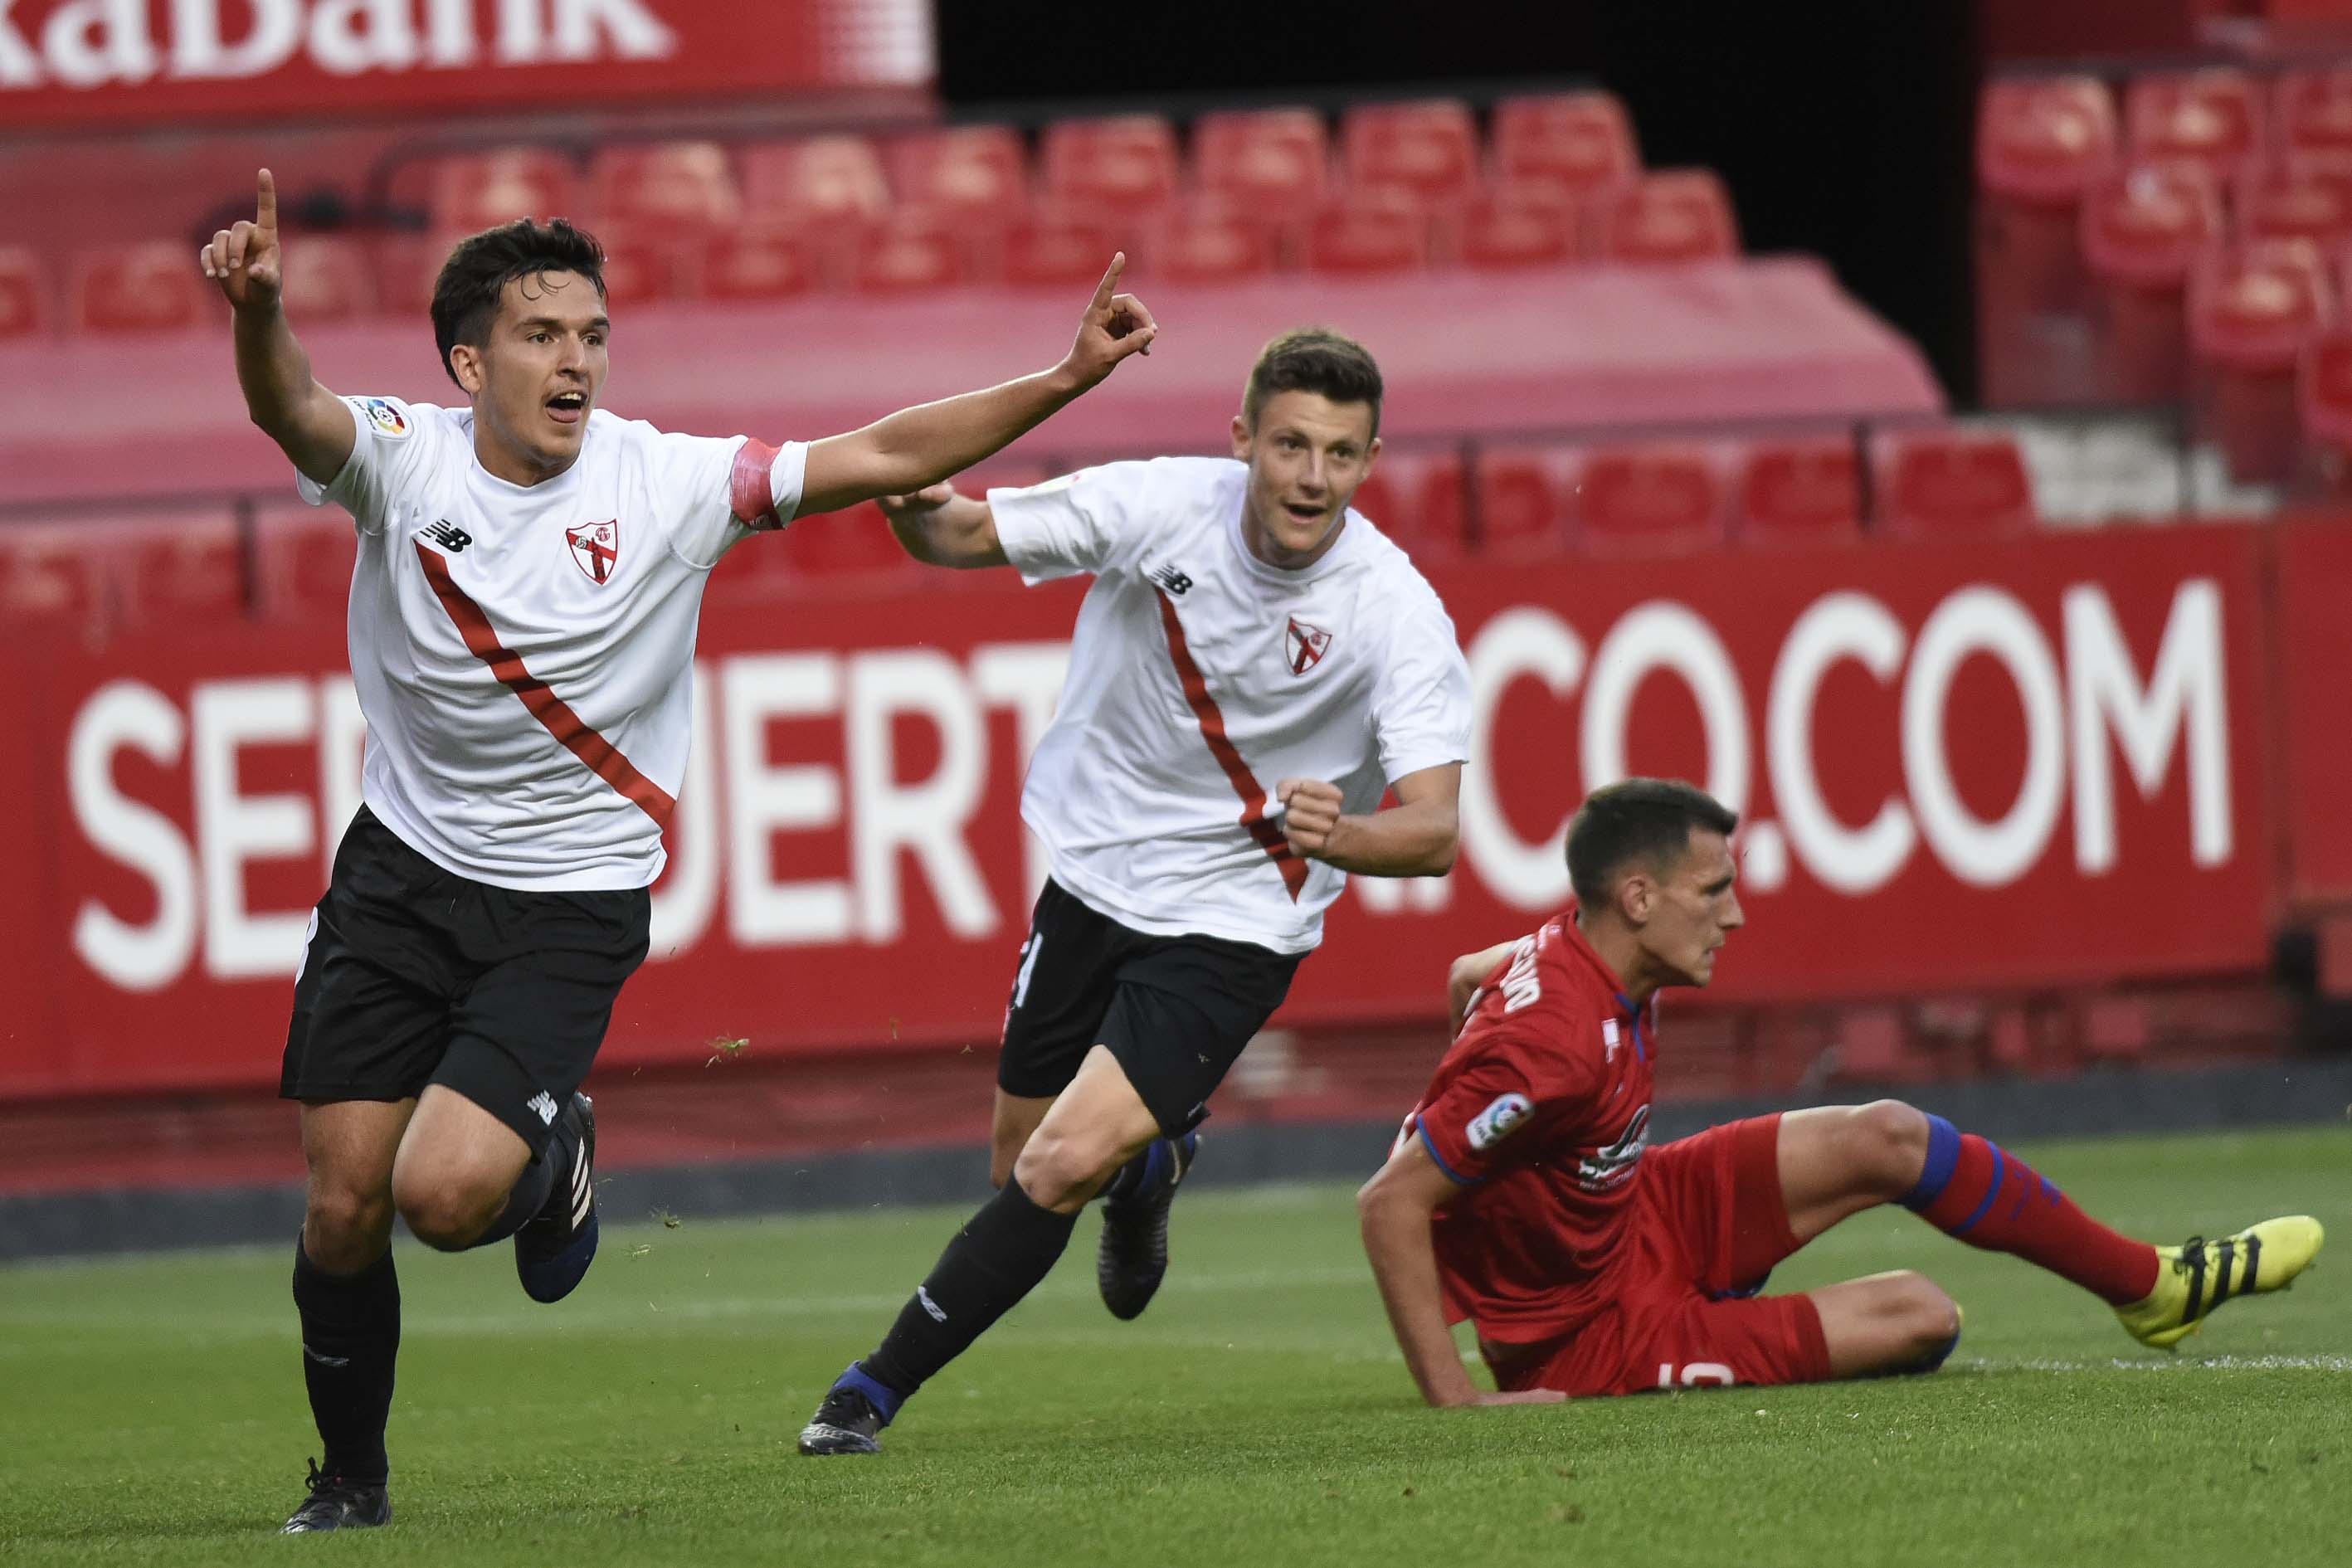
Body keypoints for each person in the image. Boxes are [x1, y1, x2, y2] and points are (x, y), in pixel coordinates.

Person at [199, 169, 1158, 1531]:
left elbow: (885, 454)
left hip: (571, 897)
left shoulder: (674, 483)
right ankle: (351, 1483)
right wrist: (257, 312)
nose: (575, 358)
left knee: (443, 1200)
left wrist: (1065, 379)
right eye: (541, 336)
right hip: (401, 874)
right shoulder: (398, 457)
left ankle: (548, 1154)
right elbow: (284, 401)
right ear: (470, 363)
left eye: (591, 334)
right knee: (342, 1205)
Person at [796, 327, 1475, 1455]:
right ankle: (1152, 1164)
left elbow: (1435, 830)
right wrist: (912, 501)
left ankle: (866, 1391)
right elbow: (958, 533)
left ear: (1367, 461)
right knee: (1018, 1164)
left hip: (1236, 915)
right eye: (1292, 444)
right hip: (1094, 875)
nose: (1312, 476)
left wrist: (1343, 832)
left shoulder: (1393, 610)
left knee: (1060, 1164)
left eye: (1341, 455)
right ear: (1241, 438)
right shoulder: (1159, 505)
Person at [1356, 777, 2325, 1405]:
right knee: (1923, 1316)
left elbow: (1465, 976)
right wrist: (1458, 1395)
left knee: (1890, 1136)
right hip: (1589, 1336)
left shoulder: (1569, 948)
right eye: (1714, 891)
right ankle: (1707, 1313)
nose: (1735, 915)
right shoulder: (1556, 1045)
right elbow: (1392, 1200)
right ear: (1639, 900)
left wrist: (1504, 1167)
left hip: (1634, 1213)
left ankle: (2150, 1287)